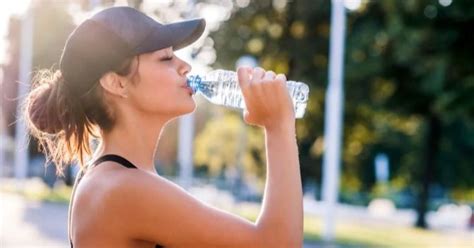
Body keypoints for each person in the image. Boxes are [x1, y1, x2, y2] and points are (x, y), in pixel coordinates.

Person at [24, 6, 302, 248]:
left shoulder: (117, 178)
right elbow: (276, 244)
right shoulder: (122, 189)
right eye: (167, 58)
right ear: (116, 83)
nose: (185, 67)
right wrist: (278, 127)